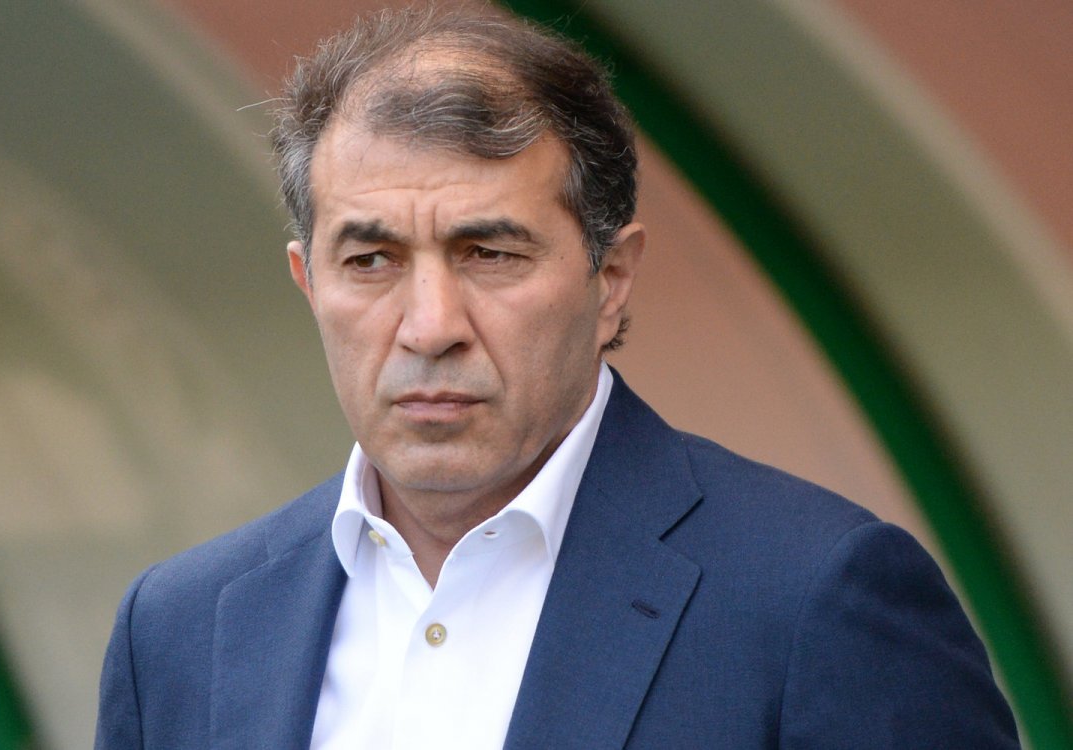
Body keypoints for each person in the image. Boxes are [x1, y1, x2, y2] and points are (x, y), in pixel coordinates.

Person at [96, 8, 1018, 748]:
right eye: (370, 261)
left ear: (610, 280)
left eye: (490, 253)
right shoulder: (177, 629)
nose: (430, 326)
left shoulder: (814, 598)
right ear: (308, 283)